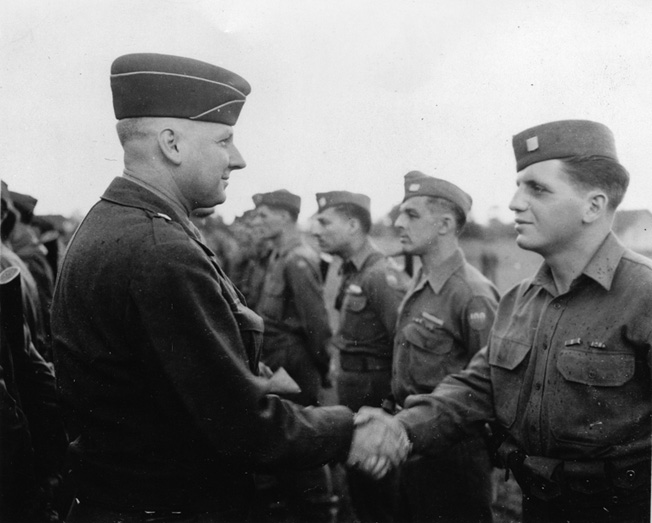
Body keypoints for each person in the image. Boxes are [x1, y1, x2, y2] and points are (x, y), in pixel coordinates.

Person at [50, 52, 407, 523]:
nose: (237, 159)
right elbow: (239, 424)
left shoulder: (118, 223)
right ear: (171, 144)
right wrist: (348, 430)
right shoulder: (160, 248)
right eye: (224, 140)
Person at [357, 120, 652, 523]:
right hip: (539, 507)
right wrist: (402, 429)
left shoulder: (644, 295)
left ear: (594, 205)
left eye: (538, 189)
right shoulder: (520, 300)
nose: (514, 202)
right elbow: (477, 386)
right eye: (519, 186)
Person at [390, 171, 499, 523]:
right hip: (416, 440)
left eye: (412, 214)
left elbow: (493, 382)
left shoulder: (471, 293)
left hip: (455, 454)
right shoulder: (421, 281)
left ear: (445, 224)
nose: (397, 222)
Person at [312, 190, 407, 523]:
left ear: (352, 225)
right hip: (356, 398)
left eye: (325, 221)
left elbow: (404, 346)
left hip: (377, 402)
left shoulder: (380, 275)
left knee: (381, 501)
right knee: (362, 498)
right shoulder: (351, 272)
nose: (315, 230)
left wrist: (391, 409)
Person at [251, 190, 336, 522]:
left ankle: (318, 509)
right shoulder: (279, 256)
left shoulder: (298, 259)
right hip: (277, 362)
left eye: (264, 215)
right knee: (286, 438)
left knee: (304, 440)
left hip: (296, 364)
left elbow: (317, 325)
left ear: (285, 217)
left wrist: (321, 369)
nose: (258, 221)